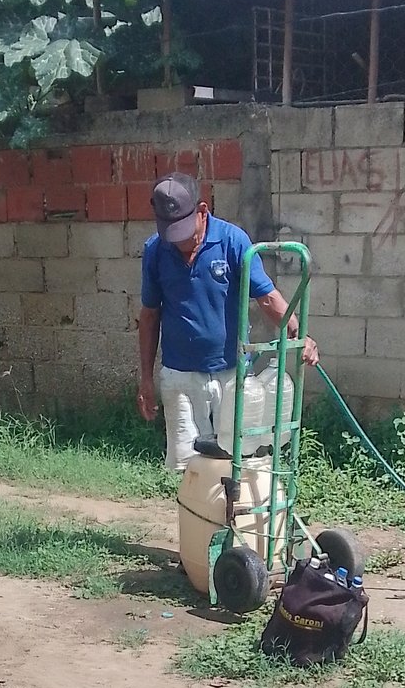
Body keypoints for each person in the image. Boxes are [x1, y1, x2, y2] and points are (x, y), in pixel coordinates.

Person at [137, 173, 319, 471]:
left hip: (232, 374)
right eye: (172, 234)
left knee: (238, 459)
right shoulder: (156, 250)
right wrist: (146, 377)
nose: (180, 242)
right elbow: (149, 314)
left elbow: (267, 297)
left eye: (184, 232)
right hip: (180, 376)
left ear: (202, 210)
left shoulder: (233, 241)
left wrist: (302, 335)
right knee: (188, 467)